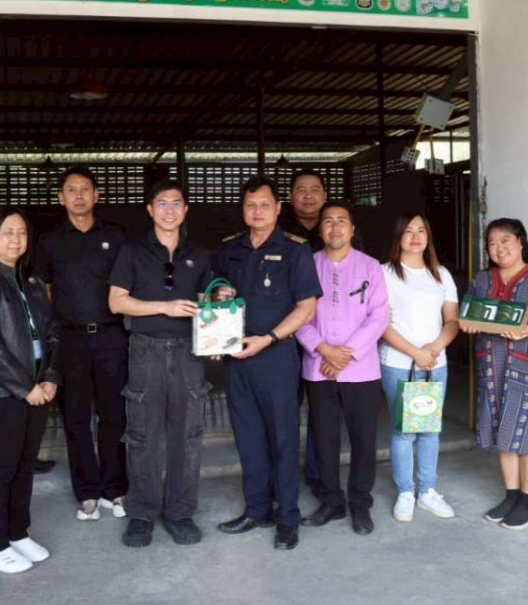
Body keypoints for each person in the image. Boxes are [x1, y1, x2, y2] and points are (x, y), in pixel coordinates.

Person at [215, 176, 321, 551]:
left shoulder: (295, 250)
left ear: (278, 208)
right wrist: (216, 331)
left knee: (283, 439)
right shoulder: (229, 248)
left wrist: (270, 338)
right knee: (248, 438)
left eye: (264, 204)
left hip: (276, 357)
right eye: (250, 205)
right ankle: (257, 509)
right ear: (243, 209)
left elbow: (306, 307)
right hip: (237, 358)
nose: (257, 211)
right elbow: (216, 298)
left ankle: (287, 517)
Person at [107, 180, 213, 548]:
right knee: (142, 435)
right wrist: (164, 307)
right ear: (150, 210)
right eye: (162, 203)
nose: (170, 210)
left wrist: (219, 325)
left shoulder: (198, 254)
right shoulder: (132, 252)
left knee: (188, 435)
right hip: (145, 349)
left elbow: (205, 304)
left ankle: (180, 512)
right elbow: (117, 302)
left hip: (188, 352)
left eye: (176, 203)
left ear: (186, 210)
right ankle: (141, 513)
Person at [0, 206, 60, 575]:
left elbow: (51, 332)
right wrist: (24, 387)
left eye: (21, 232)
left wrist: (49, 377)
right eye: (8, 232)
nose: (16, 239)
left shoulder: (30, 281)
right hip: (0, 392)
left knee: (24, 464)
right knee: (2, 466)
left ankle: (18, 533)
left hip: (38, 388)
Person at [36, 165, 128, 521]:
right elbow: (44, 293)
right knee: (76, 419)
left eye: (85, 189)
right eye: (71, 190)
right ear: (61, 198)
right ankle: (87, 492)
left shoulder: (116, 237)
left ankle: (115, 488)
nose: (78, 196)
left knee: (113, 416)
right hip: (69, 340)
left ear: (96, 195)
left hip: (111, 336)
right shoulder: (49, 241)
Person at [462, 218, 528, 531]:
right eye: (492, 243)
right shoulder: (483, 279)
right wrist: (468, 322)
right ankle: (511, 496)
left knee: (527, 433)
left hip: (527, 367)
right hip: (491, 366)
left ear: (521, 241)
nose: (499, 248)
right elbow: (467, 312)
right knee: (503, 432)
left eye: (505, 240)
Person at [296, 202, 388, 535]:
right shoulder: (306, 264)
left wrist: (345, 355)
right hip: (318, 367)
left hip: (361, 370)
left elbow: (379, 315)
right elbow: (297, 314)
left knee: (363, 439)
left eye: (341, 221)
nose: (335, 227)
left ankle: (360, 502)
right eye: (328, 222)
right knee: (324, 439)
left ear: (352, 229)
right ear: (320, 229)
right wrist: (324, 350)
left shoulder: (370, 266)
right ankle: (332, 501)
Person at [277, 169, 360, 495]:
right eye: (301, 189)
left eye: (315, 189)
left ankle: (318, 474)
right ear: (290, 197)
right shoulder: (279, 233)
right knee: (284, 409)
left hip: (330, 345)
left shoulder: (343, 232)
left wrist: (335, 349)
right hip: (288, 338)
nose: (308, 195)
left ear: (325, 195)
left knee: (323, 415)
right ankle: (282, 475)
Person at [379, 213, 461, 523]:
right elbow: (381, 324)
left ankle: (427, 490)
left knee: (429, 429)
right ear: (398, 236)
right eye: (409, 231)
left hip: (435, 364)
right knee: (404, 431)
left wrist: (433, 349)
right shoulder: (384, 273)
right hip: (399, 363)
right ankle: (405, 492)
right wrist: (416, 352)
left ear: (428, 236)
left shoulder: (440, 275)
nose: (415, 237)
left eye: (421, 231)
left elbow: (452, 321)